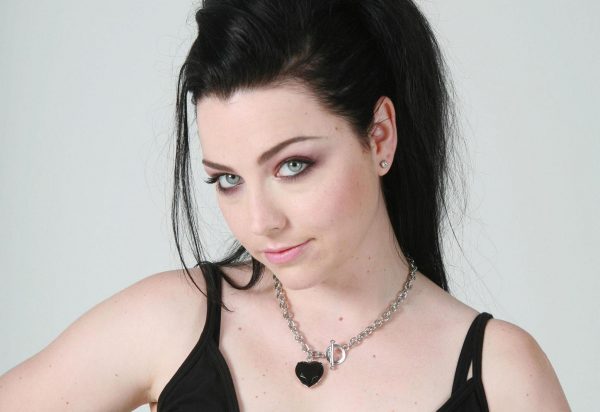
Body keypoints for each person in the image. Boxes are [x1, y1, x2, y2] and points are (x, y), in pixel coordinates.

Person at [0, 0, 571, 411]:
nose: (259, 222)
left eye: (292, 166)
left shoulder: (502, 376)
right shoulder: (173, 319)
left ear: (379, 137)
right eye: (227, 179)